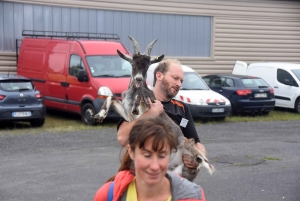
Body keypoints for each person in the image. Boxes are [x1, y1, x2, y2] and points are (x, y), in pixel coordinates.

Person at [117, 58, 207, 169]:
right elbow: (122, 138)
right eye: (175, 78)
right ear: (159, 76)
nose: (178, 84)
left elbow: (197, 144)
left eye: (181, 81)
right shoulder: (138, 101)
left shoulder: (182, 108)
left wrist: (197, 158)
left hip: (172, 176)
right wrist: (151, 113)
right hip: (141, 172)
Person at [94, 117, 206, 201]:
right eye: (147, 155)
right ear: (131, 152)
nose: (155, 166)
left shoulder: (193, 196)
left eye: (162, 156)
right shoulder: (108, 195)